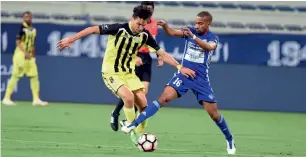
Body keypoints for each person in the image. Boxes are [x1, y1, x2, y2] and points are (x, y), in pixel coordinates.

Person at [57, 5, 195, 145]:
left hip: (129, 73)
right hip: (111, 72)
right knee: (128, 97)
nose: (140, 27)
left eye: (143, 24)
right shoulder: (118, 28)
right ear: (132, 19)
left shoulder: (145, 35)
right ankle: (131, 127)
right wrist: (71, 39)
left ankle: (139, 133)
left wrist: (179, 67)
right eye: (138, 23)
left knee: (143, 105)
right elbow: (92, 29)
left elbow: (162, 54)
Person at [121, 11, 236, 154]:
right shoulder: (191, 31)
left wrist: (193, 36)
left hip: (201, 80)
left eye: (200, 23)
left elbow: (209, 47)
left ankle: (229, 138)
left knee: (214, 114)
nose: (197, 25)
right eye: (196, 22)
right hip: (183, 75)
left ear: (208, 24)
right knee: (164, 98)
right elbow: (172, 33)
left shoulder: (212, 38)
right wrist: (166, 27)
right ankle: (133, 124)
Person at [110, 1, 163, 132]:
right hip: (134, 55)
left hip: (147, 58)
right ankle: (116, 113)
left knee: (143, 93)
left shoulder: (154, 24)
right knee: (129, 92)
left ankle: (132, 123)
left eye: (150, 10)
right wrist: (135, 57)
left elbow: (152, 43)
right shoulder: (135, 22)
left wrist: (159, 54)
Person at [2, 11, 48, 106]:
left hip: (30, 56)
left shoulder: (33, 29)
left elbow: (33, 44)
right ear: (23, 18)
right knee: (15, 75)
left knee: (34, 76)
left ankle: (36, 99)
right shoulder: (22, 28)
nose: (27, 18)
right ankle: (6, 98)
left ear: (31, 18)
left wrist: (33, 56)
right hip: (20, 56)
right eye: (25, 17)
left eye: (29, 17)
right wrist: (25, 52)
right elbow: (18, 42)